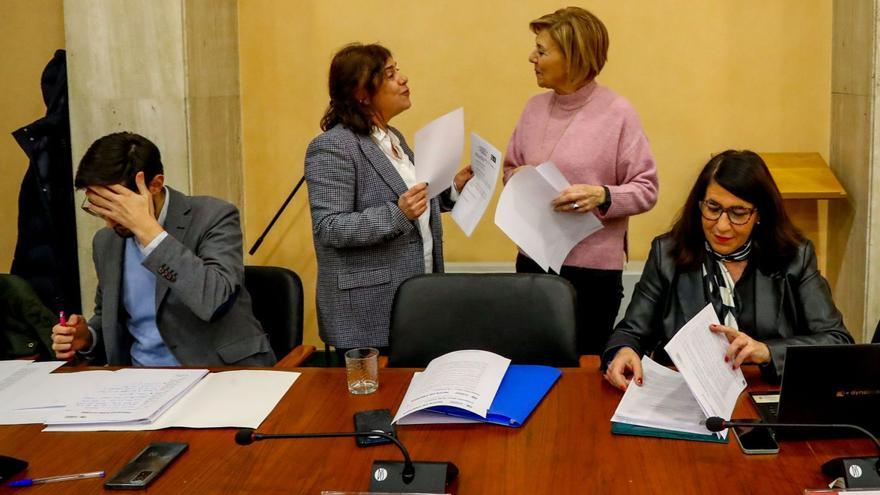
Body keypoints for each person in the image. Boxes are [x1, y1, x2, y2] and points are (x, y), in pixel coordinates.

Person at [603, 150, 853, 389]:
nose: (722, 226)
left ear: (759, 214)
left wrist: (766, 351)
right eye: (713, 208)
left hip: (765, 393)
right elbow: (630, 332)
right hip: (688, 394)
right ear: (699, 204)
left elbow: (837, 342)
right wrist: (623, 351)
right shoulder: (667, 253)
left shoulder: (794, 256)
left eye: (738, 213)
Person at [503, 7, 659, 355]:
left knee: (583, 376)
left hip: (592, 275)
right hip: (533, 264)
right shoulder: (532, 108)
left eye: (542, 51)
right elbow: (511, 168)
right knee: (530, 365)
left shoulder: (618, 112)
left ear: (574, 57)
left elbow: (647, 189)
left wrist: (602, 196)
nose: (532, 58)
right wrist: (521, 181)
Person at [51, 132, 276, 366]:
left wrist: (150, 233)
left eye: (117, 207)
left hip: (220, 372)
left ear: (155, 184)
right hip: (141, 378)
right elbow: (111, 317)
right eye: (100, 208)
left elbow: (213, 300)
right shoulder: (106, 241)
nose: (109, 221)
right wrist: (88, 337)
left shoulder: (214, 216)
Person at [305, 43, 473, 354]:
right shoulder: (332, 147)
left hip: (417, 296)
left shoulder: (393, 138)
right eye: (391, 74)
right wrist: (397, 213)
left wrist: (454, 190)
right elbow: (330, 227)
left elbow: (415, 203)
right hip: (368, 309)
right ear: (361, 93)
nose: (404, 79)